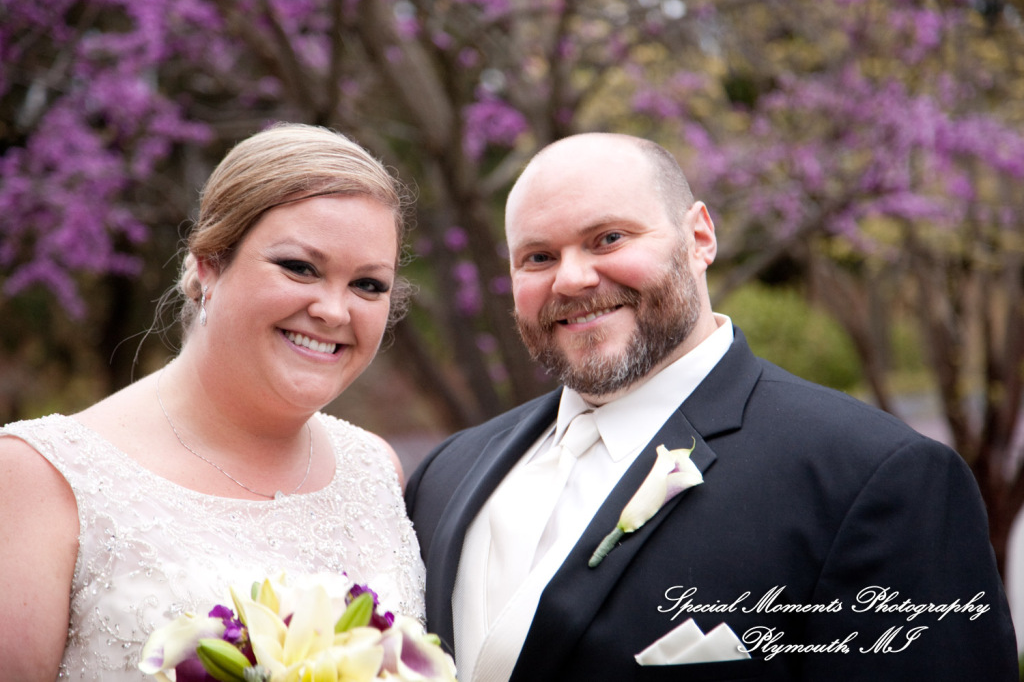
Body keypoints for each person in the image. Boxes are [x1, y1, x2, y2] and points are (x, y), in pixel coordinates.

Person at [405, 133, 1018, 681]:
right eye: (537, 257)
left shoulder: (875, 478)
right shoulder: (445, 474)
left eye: (608, 238)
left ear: (700, 236)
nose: (571, 279)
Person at [0, 123, 426, 681]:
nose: (333, 310)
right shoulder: (36, 475)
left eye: (368, 284)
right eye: (300, 267)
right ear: (209, 264)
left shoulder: (374, 470)